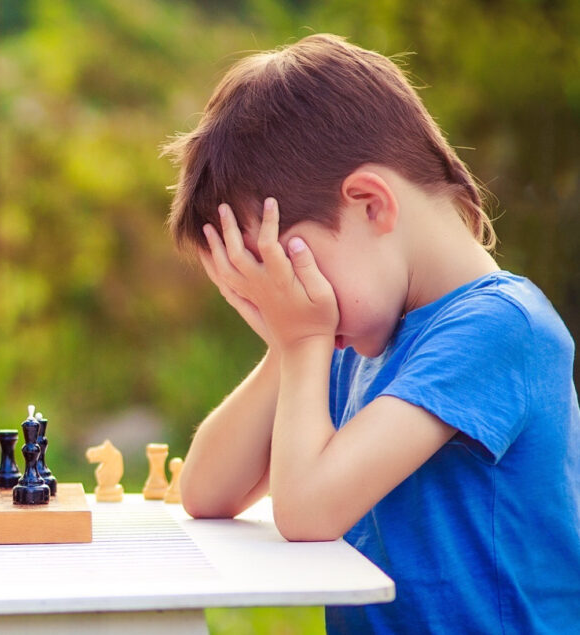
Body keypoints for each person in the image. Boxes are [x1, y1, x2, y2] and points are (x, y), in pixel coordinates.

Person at [163, 33, 580, 633]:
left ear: (370, 204)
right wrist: (290, 344)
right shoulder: (357, 336)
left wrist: (303, 341)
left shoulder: (500, 328)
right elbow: (207, 493)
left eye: (290, 268)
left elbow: (307, 512)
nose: (291, 300)